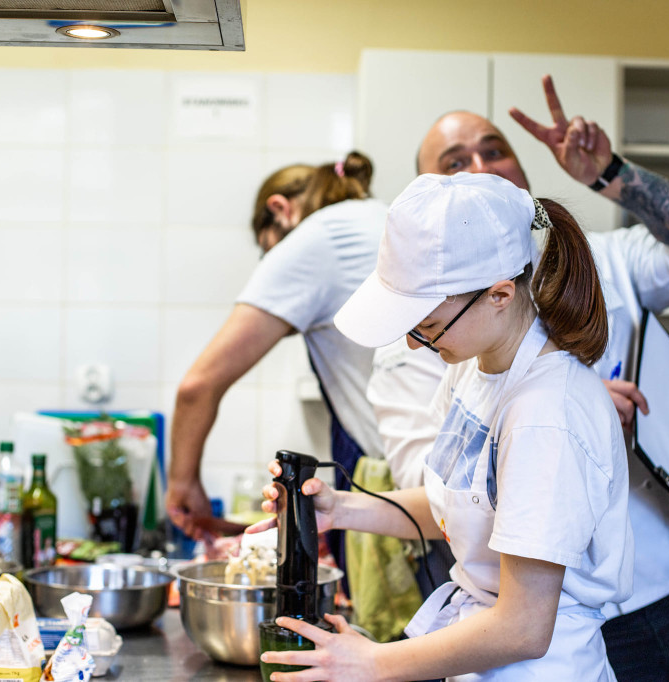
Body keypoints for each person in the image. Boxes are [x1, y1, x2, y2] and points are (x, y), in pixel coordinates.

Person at [367, 74, 669, 680]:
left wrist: (612, 173)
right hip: (582, 616)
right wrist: (559, 410)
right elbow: (445, 491)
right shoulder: (425, 332)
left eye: (494, 149)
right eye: (454, 162)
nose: (480, 167)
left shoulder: (601, 260)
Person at [256, 171, 633, 681]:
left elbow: (524, 627)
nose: (414, 344)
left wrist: (372, 663)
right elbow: (462, 503)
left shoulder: (547, 417)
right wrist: (340, 509)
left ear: (499, 295)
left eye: (428, 326)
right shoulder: (474, 368)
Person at [166, 153, 384, 539]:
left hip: (404, 478)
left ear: (280, 209)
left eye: (268, 251)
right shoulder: (378, 217)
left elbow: (197, 388)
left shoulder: (315, 237)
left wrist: (183, 486)